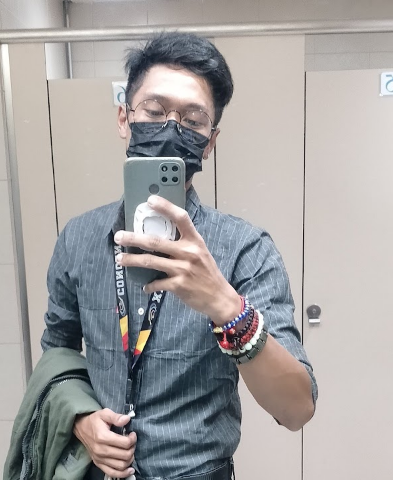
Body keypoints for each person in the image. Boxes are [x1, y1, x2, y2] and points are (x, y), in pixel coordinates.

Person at [41, 32, 317, 480]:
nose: (171, 128)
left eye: (193, 119)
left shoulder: (245, 249)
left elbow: (296, 409)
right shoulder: (79, 238)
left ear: (209, 142)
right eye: (154, 111)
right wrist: (79, 418)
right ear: (124, 119)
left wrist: (226, 307)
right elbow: (58, 350)